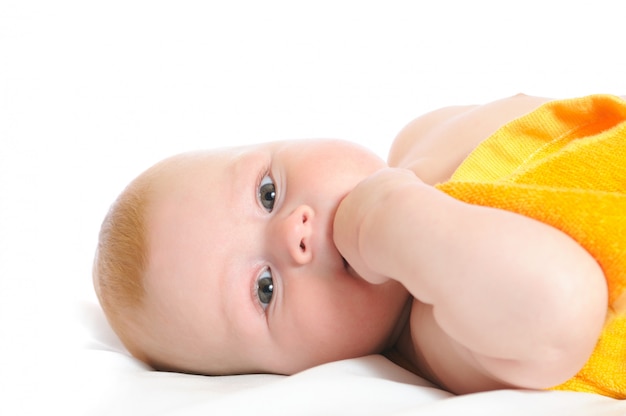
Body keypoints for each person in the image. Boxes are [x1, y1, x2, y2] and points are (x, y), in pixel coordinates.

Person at [93, 93, 626, 399]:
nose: (294, 233)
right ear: (291, 374)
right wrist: (387, 220)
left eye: (268, 192)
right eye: (264, 288)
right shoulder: (443, 335)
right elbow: (562, 301)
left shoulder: (422, 136)